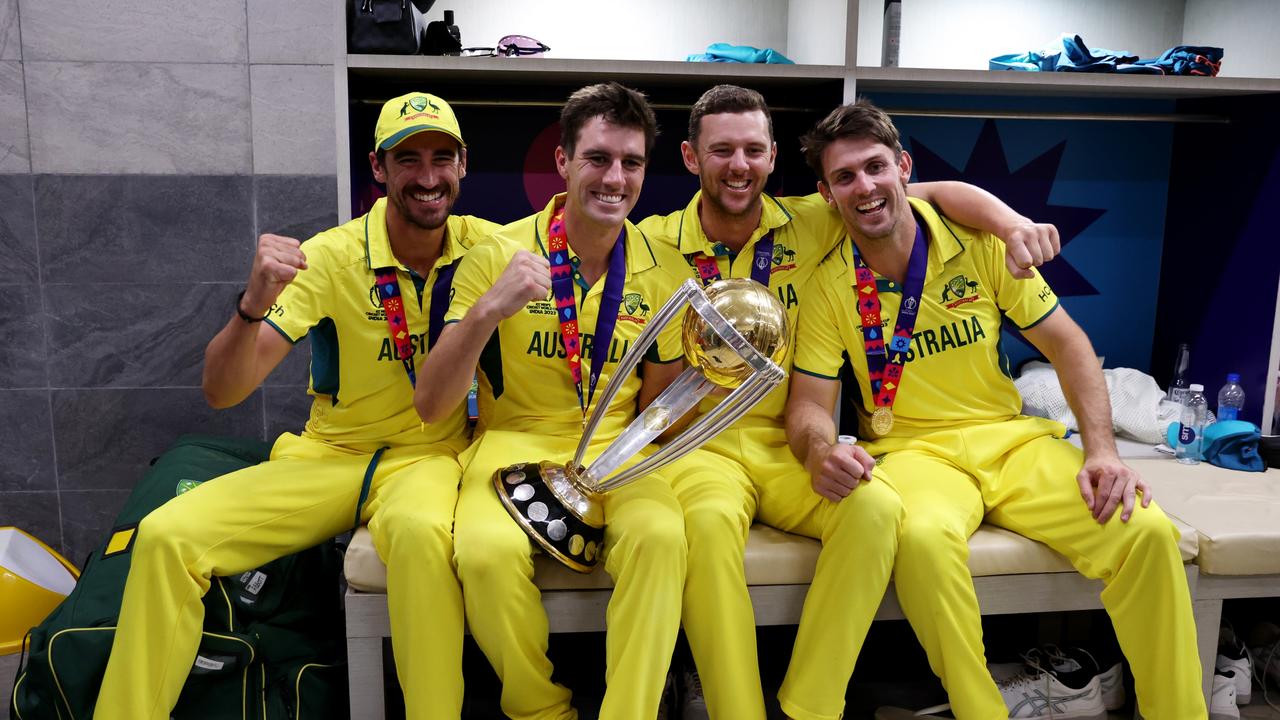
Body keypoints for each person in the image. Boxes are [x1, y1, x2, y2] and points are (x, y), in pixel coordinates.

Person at [637, 84, 1064, 720]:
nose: (738, 164)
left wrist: (1009, 223)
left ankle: (811, 705)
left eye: (753, 149)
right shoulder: (650, 243)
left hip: (786, 440)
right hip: (703, 445)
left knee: (875, 507)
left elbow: (933, 195)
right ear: (691, 157)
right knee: (706, 529)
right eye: (721, 149)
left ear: (773, 157)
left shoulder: (816, 215)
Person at [783, 98, 1205, 719]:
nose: (864, 187)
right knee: (923, 540)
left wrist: (1102, 451)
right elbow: (810, 406)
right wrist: (822, 449)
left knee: (1142, 531)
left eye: (875, 167)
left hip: (1011, 440)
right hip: (912, 453)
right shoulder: (826, 285)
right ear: (827, 194)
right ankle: (980, 709)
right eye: (845, 177)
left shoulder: (980, 244)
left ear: (902, 166)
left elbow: (1069, 345)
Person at [93, 91, 495, 719]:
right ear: (377, 168)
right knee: (168, 535)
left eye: (442, 157)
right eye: (407, 158)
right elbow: (222, 391)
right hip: (330, 456)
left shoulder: (489, 248)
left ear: (463, 164)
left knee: (420, 536)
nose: (426, 176)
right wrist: (252, 302)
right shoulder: (331, 256)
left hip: (429, 458)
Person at [415, 81, 692, 720]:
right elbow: (432, 404)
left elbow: (660, 408)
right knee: (483, 553)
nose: (614, 178)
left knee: (660, 536)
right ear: (563, 163)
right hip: (513, 441)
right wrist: (489, 308)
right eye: (598, 158)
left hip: (619, 449)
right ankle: (541, 709)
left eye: (631, 162)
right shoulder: (498, 253)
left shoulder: (667, 268)